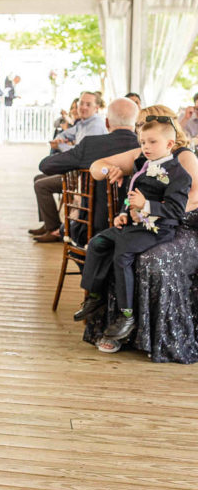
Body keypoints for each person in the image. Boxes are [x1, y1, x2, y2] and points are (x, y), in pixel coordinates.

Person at [80, 106, 198, 356]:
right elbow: (98, 168)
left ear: (169, 136)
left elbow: (190, 199)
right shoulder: (144, 156)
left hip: (180, 223)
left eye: (147, 130)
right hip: (140, 219)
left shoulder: (182, 159)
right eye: (139, 130)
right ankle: (99, 304)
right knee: (103, 243)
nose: (142, 135)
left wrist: (145, 210)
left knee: (145, 259)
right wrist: (109, 171)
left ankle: (139, 326)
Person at [30, 98, 141, 244]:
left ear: (107, 123)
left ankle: (85, 263)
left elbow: (46, 165)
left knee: (66, 230)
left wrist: (76, 168)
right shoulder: (145, 149)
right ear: (137, 123)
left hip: (91, 229)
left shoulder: (91, 145)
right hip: (135, 226)